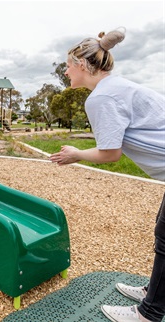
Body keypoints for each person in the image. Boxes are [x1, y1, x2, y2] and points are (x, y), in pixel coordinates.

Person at [49, 27, 165, 322]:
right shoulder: (118, 86)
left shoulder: (101, 97)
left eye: (67, 65)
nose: (65, 71)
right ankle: (155, 292)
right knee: (163, 232)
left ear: (82, 64)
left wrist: (76, 154)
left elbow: (111, 153)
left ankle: (149, 313)